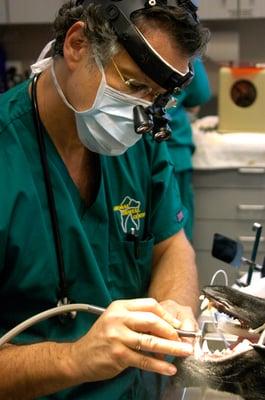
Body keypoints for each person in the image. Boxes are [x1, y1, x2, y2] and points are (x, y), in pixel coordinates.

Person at [0, 1, 209, 399]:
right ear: (78, 43)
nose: (140, 113)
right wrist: (75, 359)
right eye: (133, 85)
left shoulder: (139, 142)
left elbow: (171, 245)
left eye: (155, 96)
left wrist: (175, 308)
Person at [167, 57, 212, 241]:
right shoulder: (182, 37)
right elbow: (198, 96)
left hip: (132, 149)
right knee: (177, 231)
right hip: (174, 148)